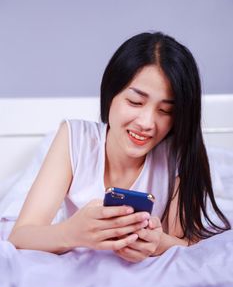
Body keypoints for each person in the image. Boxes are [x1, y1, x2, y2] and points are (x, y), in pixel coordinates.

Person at [8, 32, 230, 263]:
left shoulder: (179, 155)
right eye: (135, 102)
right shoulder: (74, 138)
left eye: (165, 111)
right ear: (110, 94)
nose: (146, 123)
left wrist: (159, 243)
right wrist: (71, 233)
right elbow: (21, 235)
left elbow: (186, 244)